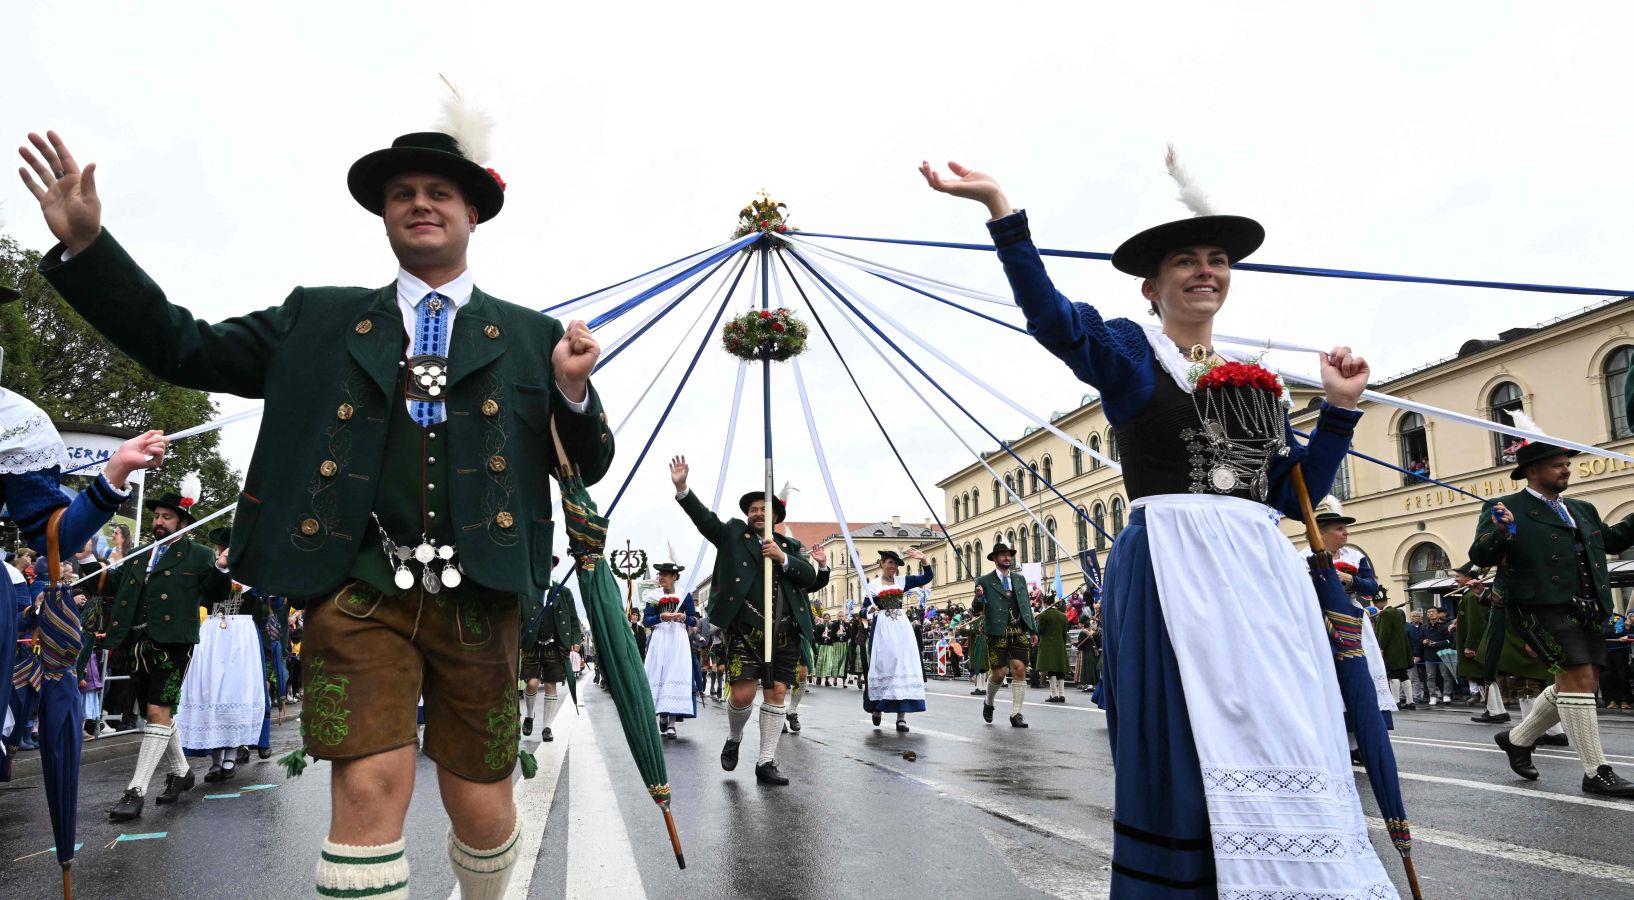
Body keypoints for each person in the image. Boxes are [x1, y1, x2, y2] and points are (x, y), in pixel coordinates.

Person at [22, 104, 614, 896]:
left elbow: (593, 463)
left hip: (481, 595)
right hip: (356, 586)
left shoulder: (535, 337)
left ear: (473, 212)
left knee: (481, 807)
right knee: (367, 788)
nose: (420, 203)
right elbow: (180, 344)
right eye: (402, 192)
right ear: (383, 213)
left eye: (440, 191)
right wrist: (91, 250)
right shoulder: (318, 318)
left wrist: (572, 392)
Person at [923, 159, 1390, 895]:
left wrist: (1338, 409)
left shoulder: (1258, 383)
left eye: (1217, 260)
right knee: (1181, 728)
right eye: (1186, 261)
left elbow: (1290, 494)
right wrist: (1001, 210)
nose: (1206, 272)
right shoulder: (1134, 356)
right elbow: (1050, 317)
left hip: (1257, 568)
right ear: (1152, 285)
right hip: (1174, 562)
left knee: (1278, 718)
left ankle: (1283, 871)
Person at [1476, 438, 1634, 796]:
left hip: (1590, 605)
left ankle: (1517, 739)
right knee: (1577, 677)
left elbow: (1610, 541)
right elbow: (1481, 553)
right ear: (1532, 472)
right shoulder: (1504, 506)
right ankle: (1597, 772)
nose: (1566, 468)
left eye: (1567, 463)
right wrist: (1504, 531)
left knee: (1582, 681)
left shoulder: (1582, 507)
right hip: (1540, 607)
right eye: (1557, 464)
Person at [670, 455, 821, 785]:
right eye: (753, 509)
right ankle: (735, 737)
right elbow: (705, 521)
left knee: (778, 691)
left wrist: (782, 558)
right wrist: (683, 489)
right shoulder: (732, 535)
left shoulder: (790, 547)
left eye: (764, 509)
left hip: (784, 631)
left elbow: (810, 577)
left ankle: (766, 761)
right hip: (746, 629)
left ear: (776, 515)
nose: (758, 513)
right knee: (741, 695)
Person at [100, 489, 231, 819]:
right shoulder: (143, 553)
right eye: (157, 516)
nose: (159, 522)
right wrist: (85, 564)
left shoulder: (199, 555)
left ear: (183, 523)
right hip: (136, 642)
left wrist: (222, 567)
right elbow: (111, 583)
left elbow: (216, 595)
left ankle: (135, 791)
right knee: (154, 713)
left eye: (166, 517)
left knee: (158, 708)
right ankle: (183, 771)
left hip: (174, 644)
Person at [861, 548, 934, 732]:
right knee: (884, 666)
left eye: (895, 563)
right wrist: (869, 611)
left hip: (901, 627)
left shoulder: (902, 581)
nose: (893, 566)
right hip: (883, 628)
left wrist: (924, 560)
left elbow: (926, 578)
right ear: (882, 564)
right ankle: (877, 707)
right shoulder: (874, 585)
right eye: (890, 562)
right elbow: (863, 609)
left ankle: (901, 718)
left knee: (903, 665)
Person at [972, 543, 1035, 727]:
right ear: (995, 558)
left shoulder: (1019, 579)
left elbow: (1026, 606)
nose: (1007, 557)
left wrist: (1033, 629)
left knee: (1019, 669)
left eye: (1009, 555)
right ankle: (988, 702)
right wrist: (979, 597)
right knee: (999, 674)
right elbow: (976, 610)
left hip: (1018, 629)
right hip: (996, 631)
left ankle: (1016, 713)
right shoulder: (984, 581)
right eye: (1003, 555)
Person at [519, 560, 580, 742]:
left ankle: (547, 727)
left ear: (553, 567)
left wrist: (575, 639)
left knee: (551, 685)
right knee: (532, 683)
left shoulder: (563, 592)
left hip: (554, 645)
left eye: (549, 564)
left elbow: (573, 619)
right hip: (532, 644)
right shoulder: (525, 592)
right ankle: (530, 715)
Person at [642, 562, 699, 739]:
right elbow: (646, 621)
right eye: (660, 574)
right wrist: (661, 616)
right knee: (659, 675)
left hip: (678, 640)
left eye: (665, 575)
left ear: (674, 577)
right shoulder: (653, 595)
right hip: (660, 639)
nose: (661, 578)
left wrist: (683, 617)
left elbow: (694, 621)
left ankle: (672, 724)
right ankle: (663, 714)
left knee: (676, 676)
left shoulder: (685, 594)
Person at [1451, 564, 1509, 724]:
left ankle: (1493, 710)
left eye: (1458, 576)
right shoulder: (1469, 595)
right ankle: (1498, 709)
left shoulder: (1471, 596)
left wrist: (1471, 645)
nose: (1456, 579)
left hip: (1476, 645)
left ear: (1468, 578)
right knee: (1486, 677)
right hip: (1479, 643)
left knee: (1483, 677)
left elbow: (1477, 622)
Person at [1373, 599, 1414, 710]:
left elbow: (1384, 632)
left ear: (1380, 602)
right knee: (1403, 674)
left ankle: (1396, 701)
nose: (1376, 605)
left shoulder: (1386, 613)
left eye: (1376, 603)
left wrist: (1381, 647)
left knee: (1393, 674)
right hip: (1400, 649)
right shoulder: (1396, 611)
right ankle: (1410, 701)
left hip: (1391, 649)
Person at [1036, 596, 1070, 702]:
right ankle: (1062, 695)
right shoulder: (1062, 616)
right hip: (1060, 645)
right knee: (1060, 670)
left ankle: (1054, 694)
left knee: (1051, 670)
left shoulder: (1043, 615)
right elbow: (1065, 633)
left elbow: (1039, 631)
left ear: (1044, 603)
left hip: (1048, 646)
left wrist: (1037, 619)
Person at [1603, 613, 1633, 710]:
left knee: (1621, 675)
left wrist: (1627, 631)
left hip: (1619, 650)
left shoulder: (1619, 617)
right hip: (1603, 651)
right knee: (1606, 676)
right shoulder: (1594, 617)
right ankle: (1610, 700)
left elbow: (1624, 632)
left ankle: (1625, 700)